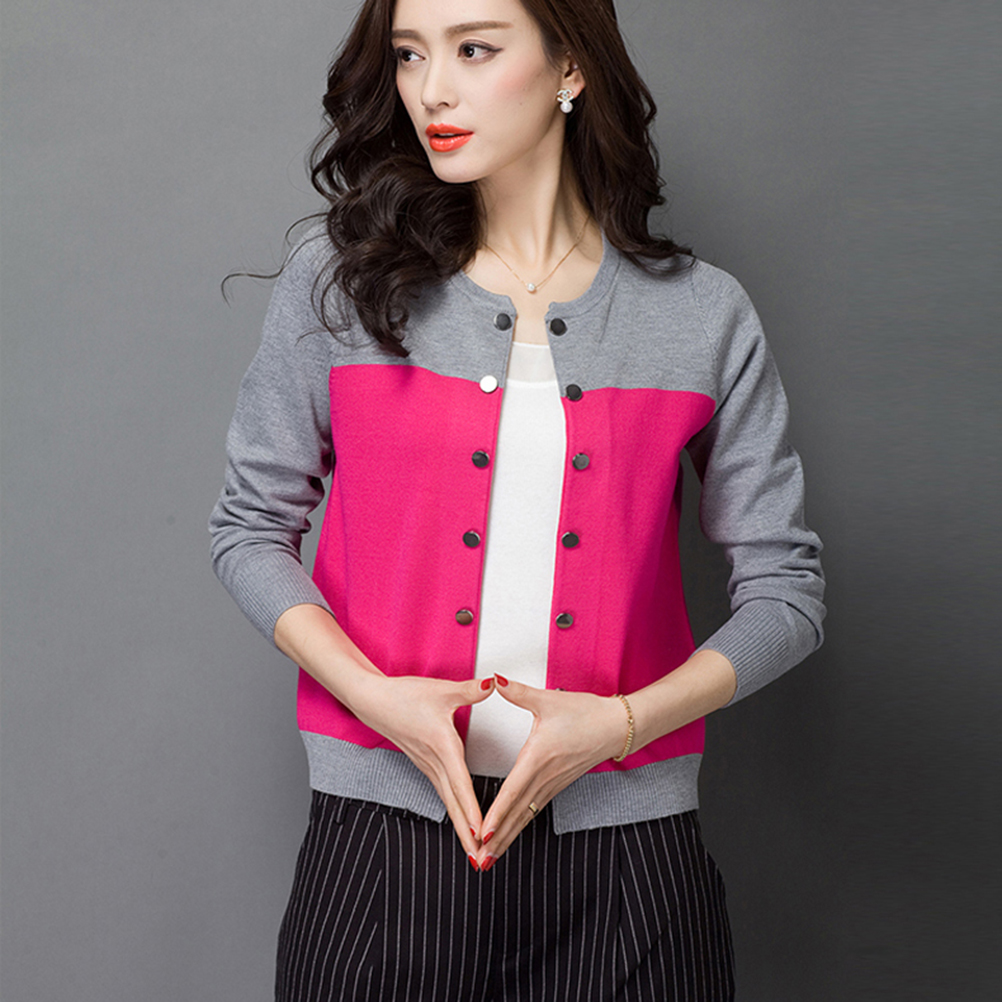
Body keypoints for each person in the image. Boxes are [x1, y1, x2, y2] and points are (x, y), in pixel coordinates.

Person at [209, 0, 826, 998]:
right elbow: (248, 529)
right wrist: (376, 701)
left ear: (569, 66)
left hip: (629, 861)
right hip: (381, 845)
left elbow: (786, 594)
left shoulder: (702, 315)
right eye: (409, 55)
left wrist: (624, 724)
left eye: (474, 49)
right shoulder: (345, 283)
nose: (432, 90)